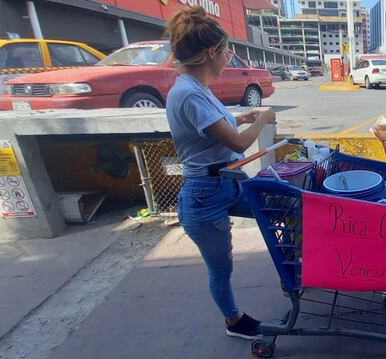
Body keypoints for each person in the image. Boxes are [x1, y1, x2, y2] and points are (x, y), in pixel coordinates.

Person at [164, 6, 276, 340]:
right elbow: (239, 145)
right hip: (204, 194)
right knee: (221, 267)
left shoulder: (198, 88)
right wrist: (262, 118)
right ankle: (234, 321)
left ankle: (296, 271)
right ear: (212, 52)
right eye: (228, 50)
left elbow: (216, 127)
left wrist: (241, 117)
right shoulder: (187, 94)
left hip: (227, 182)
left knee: (278, 209)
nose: (230, 56)